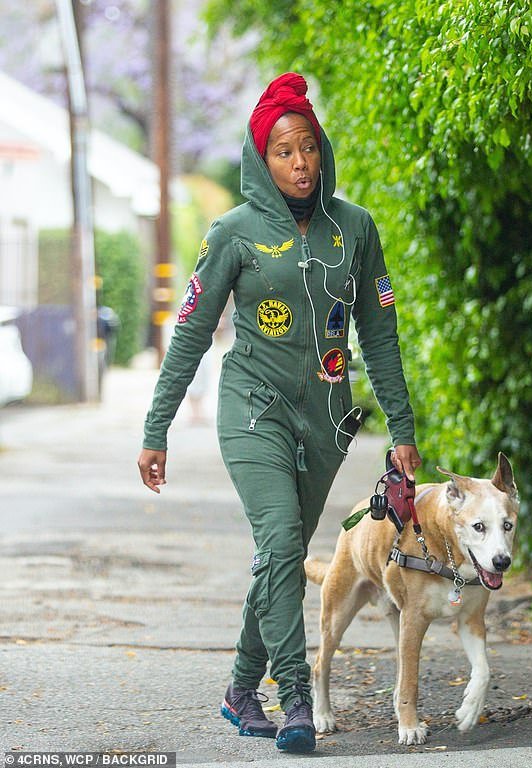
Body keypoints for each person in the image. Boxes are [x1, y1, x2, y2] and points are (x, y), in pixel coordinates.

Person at [137, 72, 421, 754]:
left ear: (320, 151)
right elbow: (191, 333)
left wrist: (403, 432)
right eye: (283, 151)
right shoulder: (231, 233)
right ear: (261, 161)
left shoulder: (355, 229)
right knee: (282, 541)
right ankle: (293, 693)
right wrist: (157, 428)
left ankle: (240, 688)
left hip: (324, 418)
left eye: (308, 148)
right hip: (252, 411)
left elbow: (378, 335)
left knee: (280, 553)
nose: (299, 163)